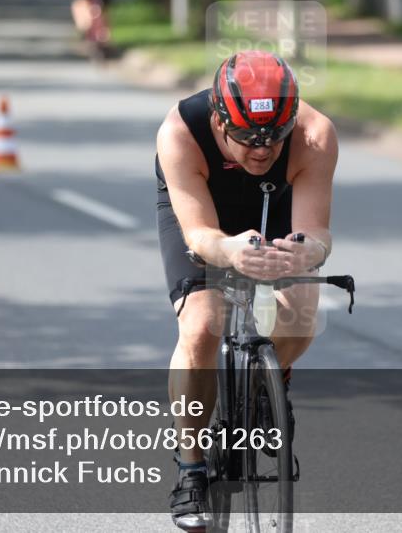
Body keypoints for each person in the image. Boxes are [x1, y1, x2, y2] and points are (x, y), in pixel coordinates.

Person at [155, 51, 338, 530]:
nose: (262, 151)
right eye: (248, 138)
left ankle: (266, 387)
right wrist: (229, 251)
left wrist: (307, 251)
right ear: (219, 121)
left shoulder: (314, 135)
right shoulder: (181, 133)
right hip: (204, 213)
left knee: (301, 312)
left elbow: (318, 234)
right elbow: (200, 236)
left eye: (276, 137)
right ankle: (191, 468)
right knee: (202, 325)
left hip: (274, 205)